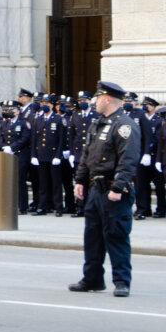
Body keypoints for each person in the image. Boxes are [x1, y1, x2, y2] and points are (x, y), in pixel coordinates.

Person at [69, 81, 140, 298]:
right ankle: (92, 279)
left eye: (98, 98)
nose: (94, 102)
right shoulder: (97, 124)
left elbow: (128, 160)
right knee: (92, 238)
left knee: (116, 235)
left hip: (113, 190)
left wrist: (118, 187)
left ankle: (121, 281)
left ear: (107, 99)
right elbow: (87, 155)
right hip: (94, 189)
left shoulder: (125, 125)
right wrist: (80, 180)